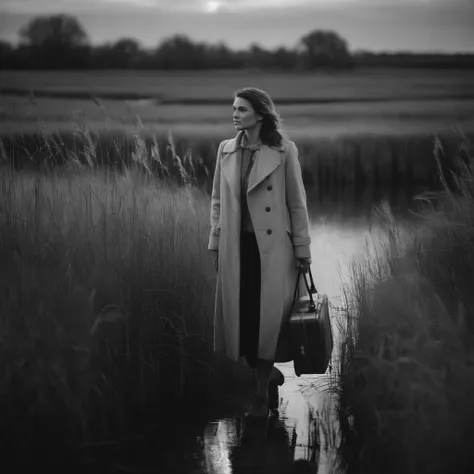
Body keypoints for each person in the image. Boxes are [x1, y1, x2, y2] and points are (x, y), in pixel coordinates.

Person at [208, 87, 312, 417]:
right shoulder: (225, 150)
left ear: (259, 114)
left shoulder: (283, 151)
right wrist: (215, 242)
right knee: (243, 320)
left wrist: (302, 249)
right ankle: (265, 372)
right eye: (234, 108)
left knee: (266, 322)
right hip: (236, 249)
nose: (235, 114)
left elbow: (297, 204)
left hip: (274, 251)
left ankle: (260, 392)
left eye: (241, 109)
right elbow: (216, 202)